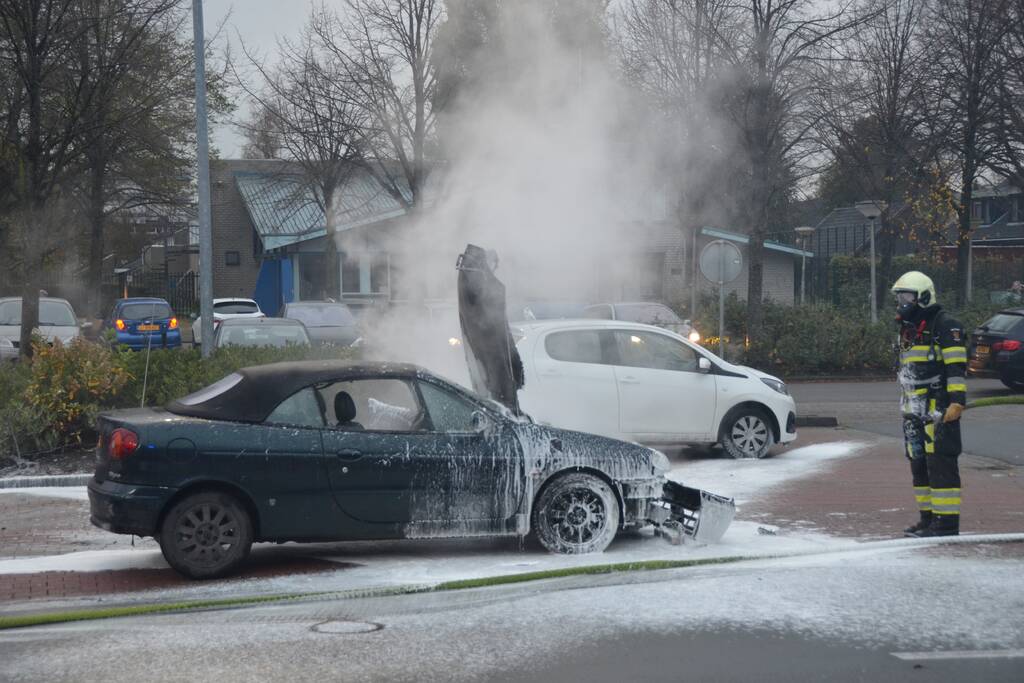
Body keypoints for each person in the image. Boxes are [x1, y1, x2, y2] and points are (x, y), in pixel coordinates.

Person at [892, 271, 967, 537]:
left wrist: (957, 401)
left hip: (939, 410)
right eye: (900, 296)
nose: (902, 301)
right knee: (919, 465)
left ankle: (946, 524)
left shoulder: (945, 325)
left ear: (923, 296)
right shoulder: (908, 329)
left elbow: (956, 367)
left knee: (940, 465)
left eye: (907, 296)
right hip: (913, 411)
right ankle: (927, 519)